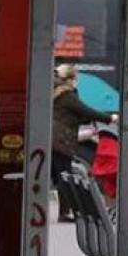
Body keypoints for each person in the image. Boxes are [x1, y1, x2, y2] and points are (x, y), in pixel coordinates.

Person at [52, 64, 115, 209]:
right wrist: (110, 118)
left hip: (57, 140)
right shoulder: (67, 95)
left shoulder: (59, 93)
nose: (77, 81)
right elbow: (86, 111)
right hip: (62, 141)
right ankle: (65, 210)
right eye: (76, 78)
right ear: (70, 78)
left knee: (61, 175)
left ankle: (65, 210)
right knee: (64, 176)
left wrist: (85, 119)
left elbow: (72, 115)